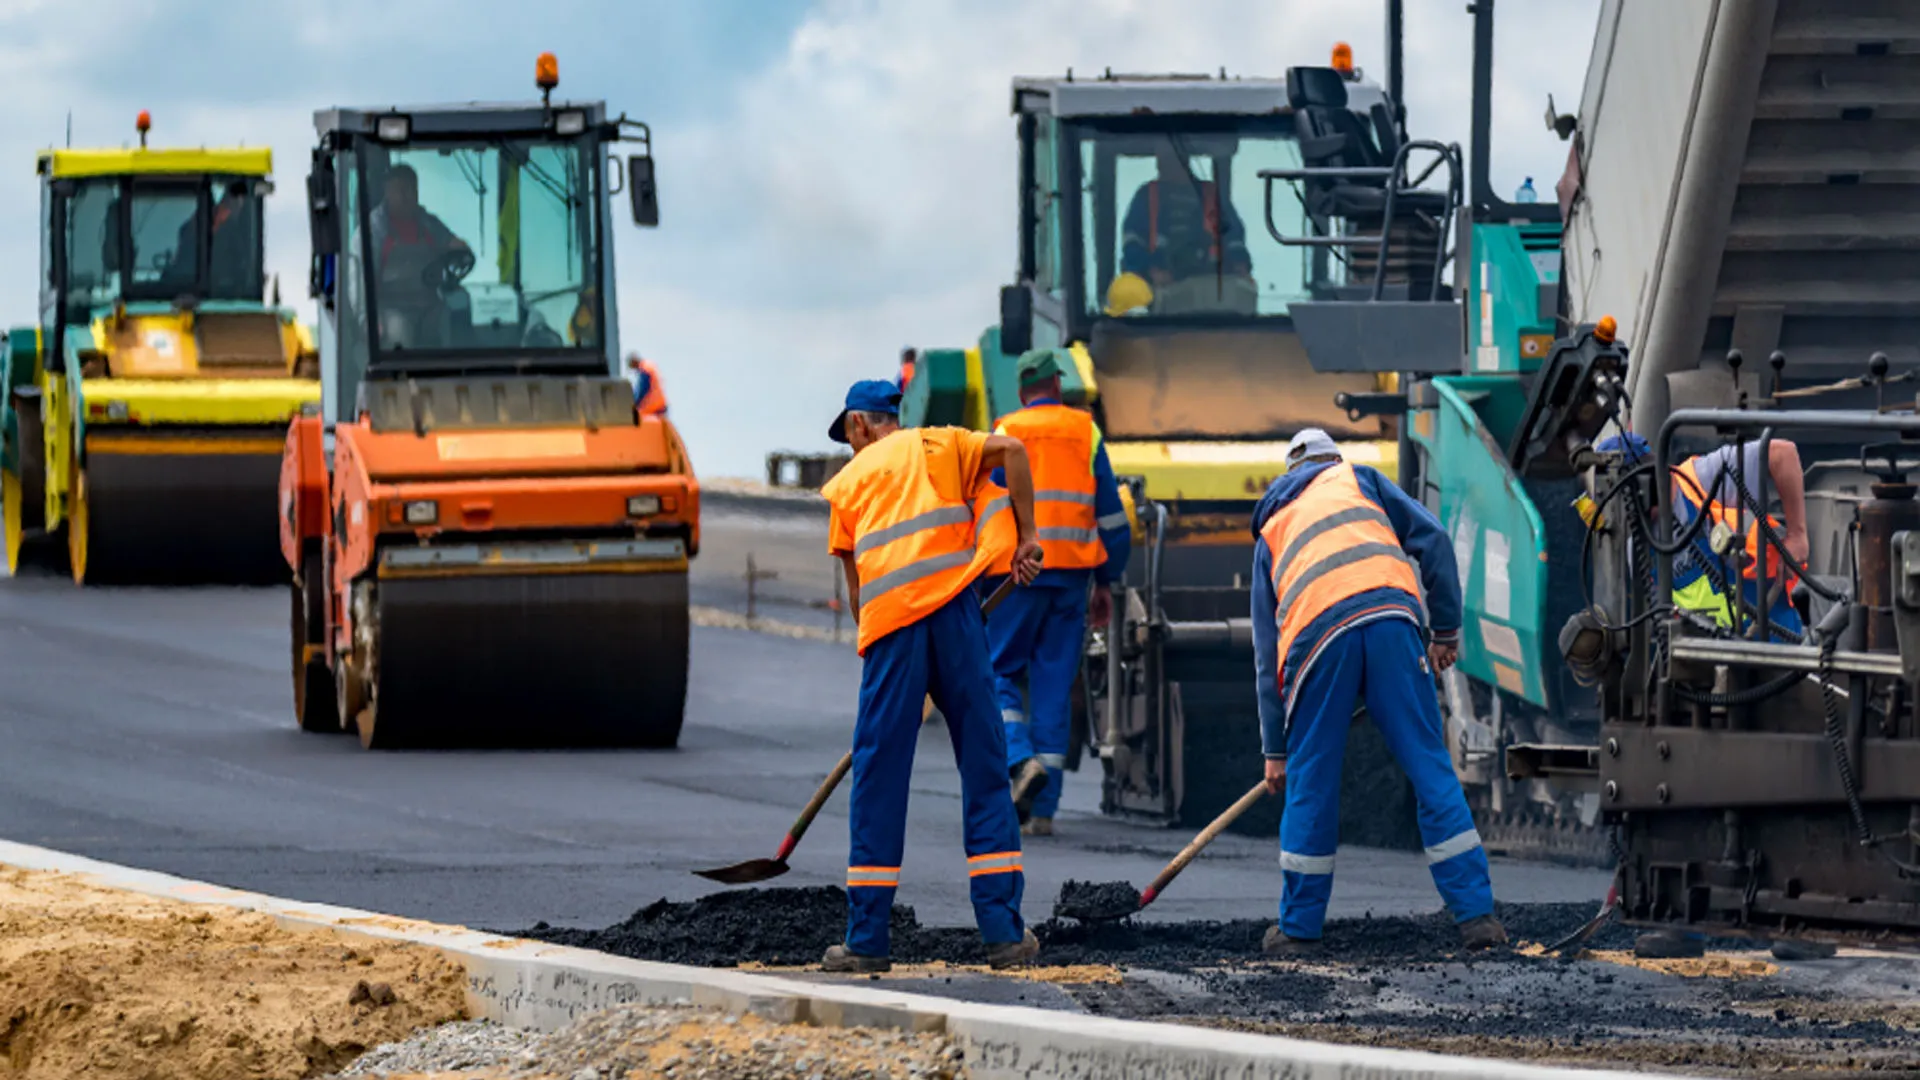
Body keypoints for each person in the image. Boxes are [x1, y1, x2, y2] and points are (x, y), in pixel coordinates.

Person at [816, 379, 1046, 973]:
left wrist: (890, 677)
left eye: (848, 435)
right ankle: (1004, 935)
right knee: (986, 767)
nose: (850, 446)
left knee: (879, 776)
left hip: (893, 631)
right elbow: (1014, 451)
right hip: (957, 618)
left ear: (860, 425)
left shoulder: (849, 483)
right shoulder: (941, 445)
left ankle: (867, 941)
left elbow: (858, 595)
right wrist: (1028, 537)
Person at [1252, 428, 1506, 955]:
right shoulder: (1360, 480)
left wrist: (1276, 751)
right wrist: (1445, 631)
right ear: (1331, 460)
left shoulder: (1272, 528)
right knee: (1431, 769)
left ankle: (1298, 930)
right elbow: (1434, 540)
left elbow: (1265, 651)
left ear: (1288, 475)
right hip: (1392, 621)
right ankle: (1478, 918)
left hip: (1317, 640)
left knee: (1311, 782)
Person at [977, 350, 1130, 836]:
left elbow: (987, 510)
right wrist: (1107, 579)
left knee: (995, 672)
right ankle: (1043, 812)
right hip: (1071, 580)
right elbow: (1112, 518)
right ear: (1057, 386)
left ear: (1022, 390)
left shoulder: (1006, 430)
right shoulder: (1086, 431)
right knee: (1053, 689)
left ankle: (1020, 760)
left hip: (1016, 576)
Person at [1597, 432, 1808, 640]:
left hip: (1772, 636)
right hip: (1707, 652)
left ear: (1644, 482)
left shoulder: (1703, 477)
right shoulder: (1637, 546)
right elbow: (1661, 617)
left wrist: (1797, 535)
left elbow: (1782, 453)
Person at [1119, 145, 1252, 290]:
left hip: (1213, 288)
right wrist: (1148, 271)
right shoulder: (1146, 196)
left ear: (1185, 159)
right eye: (1161, 156)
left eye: (1170, 156)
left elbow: (1234, 237)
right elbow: (1132, 243)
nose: (1162, 163)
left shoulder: (1212, 195)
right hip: (1158, 292)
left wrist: (1240, 264)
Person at [370, 165, 470, 346]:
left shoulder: (429, 224)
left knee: (459, 305)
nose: (408, 196)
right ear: (388, 193)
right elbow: (359, 282)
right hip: (391, 307)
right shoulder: (374, 231)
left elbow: (452, 243)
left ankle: (466, 361)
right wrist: (367, 319)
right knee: (399, 330)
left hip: (429, 303)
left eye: (412, 190)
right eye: (401, 190)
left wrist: (460, 248)